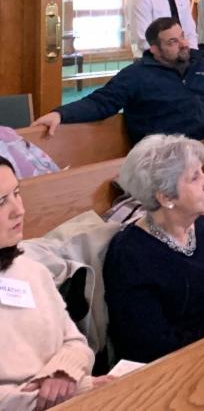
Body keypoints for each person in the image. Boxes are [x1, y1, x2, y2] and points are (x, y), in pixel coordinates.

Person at [105, 135, 204, 363]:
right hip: (194, 363)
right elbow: (151, 346)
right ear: (165, 197)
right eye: (194, 177)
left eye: (202, 172)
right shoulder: (130, 255)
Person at [0, 157, 105, 410]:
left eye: (17, 193)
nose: (19, 210)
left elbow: (76, 342)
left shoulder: (31, 270)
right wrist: (76, 390)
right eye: (1, 202)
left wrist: (63, 373)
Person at [34, 18, 204, 144]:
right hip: (165, 157)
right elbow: (101, 102)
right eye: (173, 41)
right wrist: (60, 114)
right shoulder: (136, 75)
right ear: (155, 50)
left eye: (182, 36)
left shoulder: (202, 65)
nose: (183, 44)